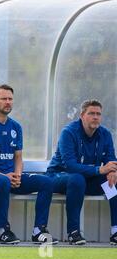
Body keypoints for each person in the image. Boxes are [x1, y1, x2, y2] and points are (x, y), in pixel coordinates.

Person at [0, 84, 57, 244]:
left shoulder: (16, 127)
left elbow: (18, 157)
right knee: (3, 181)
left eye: (10, 99)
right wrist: (4, 175)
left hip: (10, 177)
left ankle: (39, 231)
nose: (8, 102)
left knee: (46, 182)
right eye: (3, 98)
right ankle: (4, 231)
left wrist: (17, 174)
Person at [46, 99, 117, 245]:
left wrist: (112, 172)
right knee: (77, 179)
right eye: (91, 113)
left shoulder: (105, 134)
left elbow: (111, 161)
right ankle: (74, 232)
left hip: (85, 181)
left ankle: (115, 232)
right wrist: (100, 169)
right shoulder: (69, 132)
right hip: (59, 177)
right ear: (82, 115)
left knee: (113, 183)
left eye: (98, 114)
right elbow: (70, 166)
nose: (95, 117)